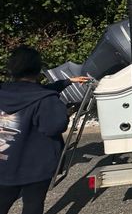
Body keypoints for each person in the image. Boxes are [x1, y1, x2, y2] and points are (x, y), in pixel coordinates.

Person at [0, 46, 89, 214]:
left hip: (4, 163)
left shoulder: (4, 91)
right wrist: (66, 112)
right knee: (33, 205)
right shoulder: (45, 100)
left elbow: (36, 93)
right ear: (38, 69)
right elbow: (54, 126)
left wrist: (67, 81)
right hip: (35, 167)